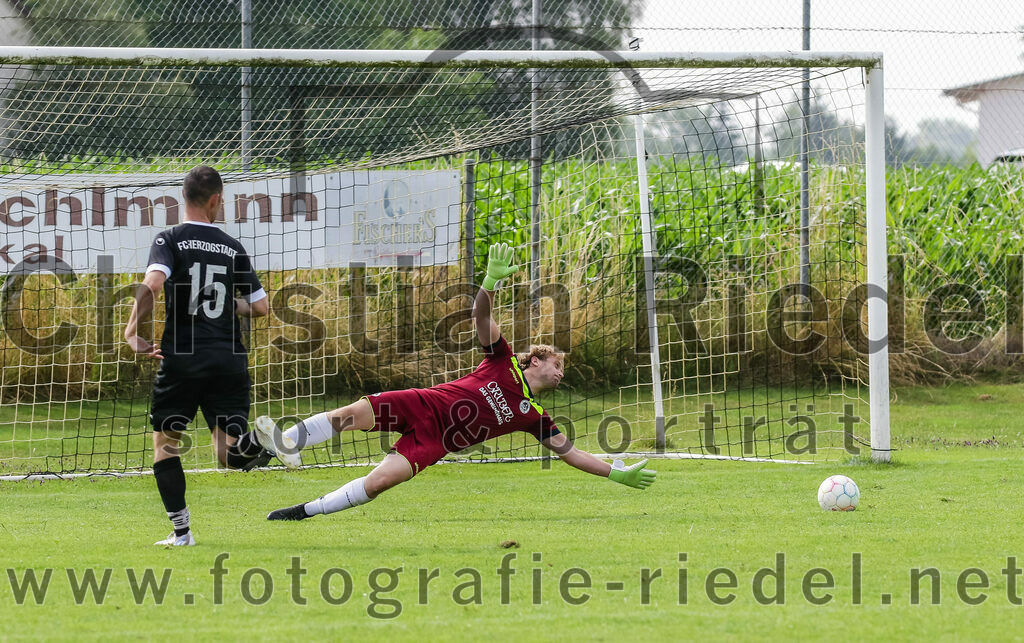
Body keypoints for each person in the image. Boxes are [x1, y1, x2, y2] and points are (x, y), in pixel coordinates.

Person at [262, 242, 656, 522]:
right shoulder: (502, 360)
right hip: (421, 403)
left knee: (379, 483)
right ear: (535, 359)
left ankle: (303, 512)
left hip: (434, 442)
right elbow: (480, 317)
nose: (561, 371)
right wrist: (490, 282)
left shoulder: (535, 416)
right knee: (348, 415)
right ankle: (281, 446)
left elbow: (571, 454)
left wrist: (615, 472)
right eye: (557, 363)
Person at [124, 165, 299, 547]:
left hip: (184, 360)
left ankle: (182, 533)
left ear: (182, 198)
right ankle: (260, 438)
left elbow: (154, 283)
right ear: (216, 200)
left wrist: (131, 330)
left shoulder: (169, 238)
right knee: (230, 455)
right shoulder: (232, 247)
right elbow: (261, 307)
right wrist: (222, 307)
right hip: (229, 359)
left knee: (165, 445)